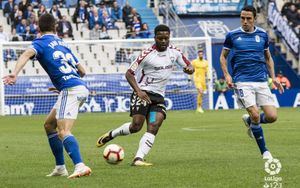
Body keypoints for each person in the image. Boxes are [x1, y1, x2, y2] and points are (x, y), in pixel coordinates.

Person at [2, 13, 91, 179]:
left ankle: (80, 166)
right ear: (55, 27)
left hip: (71, 89)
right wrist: (66, 84)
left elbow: (25, 54)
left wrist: (14, 73)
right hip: (77, 86)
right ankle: (60, 167)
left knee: (63, 131)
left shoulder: (40, 42)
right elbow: (83, 71)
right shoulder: (63, 44)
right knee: (49, 125)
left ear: (38, 27)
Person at [96, 24, 194, 166]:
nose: (163, 41)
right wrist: (138, 91)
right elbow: (129, 73)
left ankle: (138, 159)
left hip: (158, 98)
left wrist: (189, 69)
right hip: (143, 94)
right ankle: (112, 134)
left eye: (166, 38)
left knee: (154, 125)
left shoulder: (175, 52)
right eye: (160, 38)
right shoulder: (146, 55)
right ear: (155, 38)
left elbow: (189, 66)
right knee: (136, 126)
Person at [219, 6, 284, 160]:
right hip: (242, 82)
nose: (245, 21)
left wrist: (273, 77)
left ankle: (249, 121)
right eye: (242, 18)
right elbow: (223, 57)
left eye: (248, 18)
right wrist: (227, 75)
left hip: (261, 81)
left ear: (254, 18)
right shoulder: (232, 35)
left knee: (272, 117)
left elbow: (268, 57)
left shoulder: (262, 35)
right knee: (255, 114)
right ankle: (265, 152)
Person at [191, 49, 209, 113]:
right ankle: (199, 107)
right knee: (200, 92)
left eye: (202, 54)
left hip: (203, 80)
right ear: (198, 55)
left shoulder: (206, 62)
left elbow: (207, 71)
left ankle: (199, 107)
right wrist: (189, 78)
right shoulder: (194, 62)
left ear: (203, 54)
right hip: (197, 79)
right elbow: (190, 69)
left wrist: (208, 78)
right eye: (199, 54)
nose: (200, 55)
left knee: (201, 94)